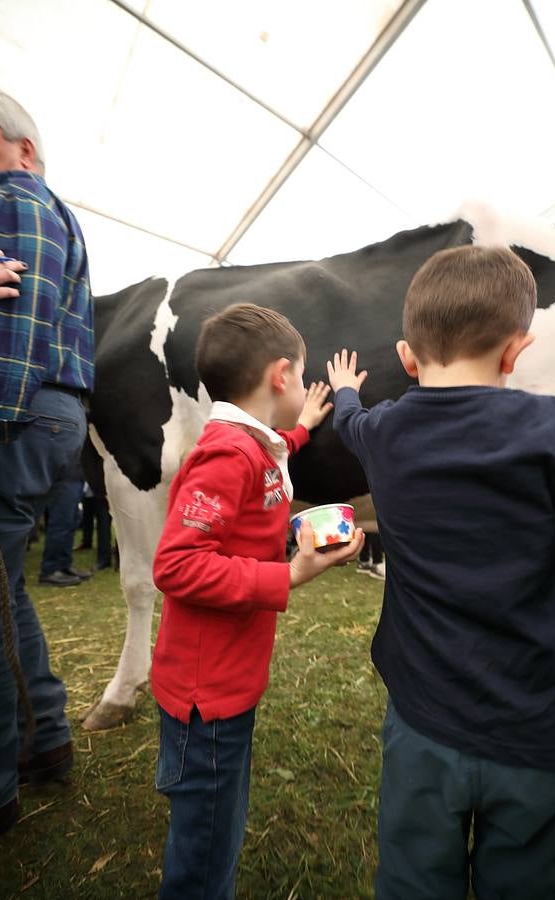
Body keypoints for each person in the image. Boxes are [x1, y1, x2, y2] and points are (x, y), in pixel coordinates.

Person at [327, 245, 555, 900]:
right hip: (538, 729)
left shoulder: (383, 433)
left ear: (407, 358)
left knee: (415, 881)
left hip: (422, 723)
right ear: (517, 350)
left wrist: (342, 389)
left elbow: (348, 420)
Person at [151, 302, 364, 899]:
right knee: (207, 842)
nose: (303, 386)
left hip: (227, 685)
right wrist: (289, 575)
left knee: (219, 817)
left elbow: (270, 457)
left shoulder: (250, 445)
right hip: (206, 695)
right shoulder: (226, 455)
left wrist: (305, 426)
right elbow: (176, 564)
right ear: (280, 376)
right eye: (300, 377)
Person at [0, 92, 93, 836]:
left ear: (23, 149)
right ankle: (46, 735)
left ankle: (5, 772)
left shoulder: (19, 197)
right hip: (45, 410)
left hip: (19, 408)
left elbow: (22, 326)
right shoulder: (44, 205)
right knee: (6, 589)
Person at [38, 459, 91, 587]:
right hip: (64, 475)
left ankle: (64, 564)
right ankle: (49, 570)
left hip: (76, 474)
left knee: (71, 522)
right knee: (61, 523)